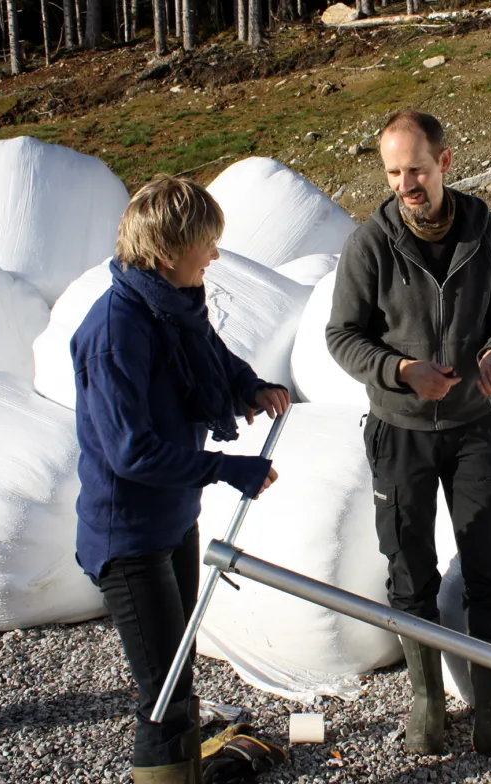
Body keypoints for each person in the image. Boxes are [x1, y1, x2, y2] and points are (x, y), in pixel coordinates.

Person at [325, 109, 491, 775]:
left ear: (445, 163)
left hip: (473, 425)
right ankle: (426, 706)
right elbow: (342, 336)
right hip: (400, 432)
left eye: (415, 169)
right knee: (409, 568)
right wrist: (400, 371)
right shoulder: (371, 244)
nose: (405, 184)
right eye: (393, 172)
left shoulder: (485, 232)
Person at [70, 175, 290, 784]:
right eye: (206, 245)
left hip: (172, 521)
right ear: (168, 253)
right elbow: (131, 452)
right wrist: (226, 467)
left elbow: (213, 355)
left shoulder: (171, 307)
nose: (215, 256)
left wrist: (251, 386)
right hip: (128, 538)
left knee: (180, 672)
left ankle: (187, 772)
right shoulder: (116, 331)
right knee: (162, 696)